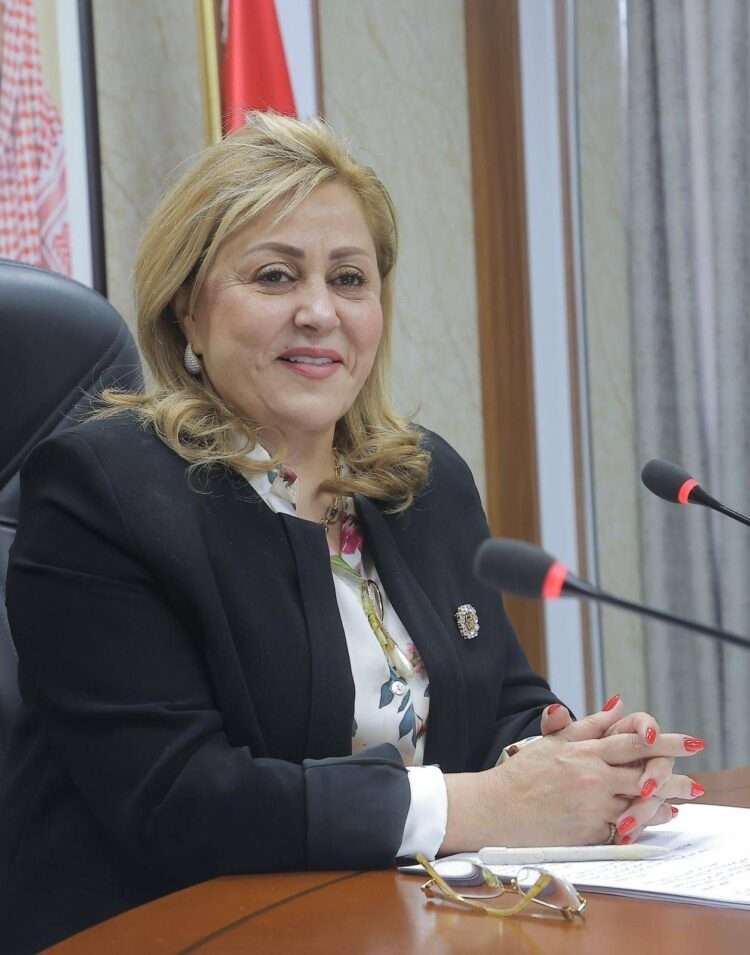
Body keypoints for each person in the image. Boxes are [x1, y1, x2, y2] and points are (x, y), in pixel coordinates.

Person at [0, 113, 704, 953]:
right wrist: (487, 803)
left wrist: (578, 760)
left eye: (348, 279)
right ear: (187, 305)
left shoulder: (421, 480)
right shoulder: (103, 492)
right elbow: (180, 799)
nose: (318, 311)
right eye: (274, 276)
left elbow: (495, 703)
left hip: (403, 923)